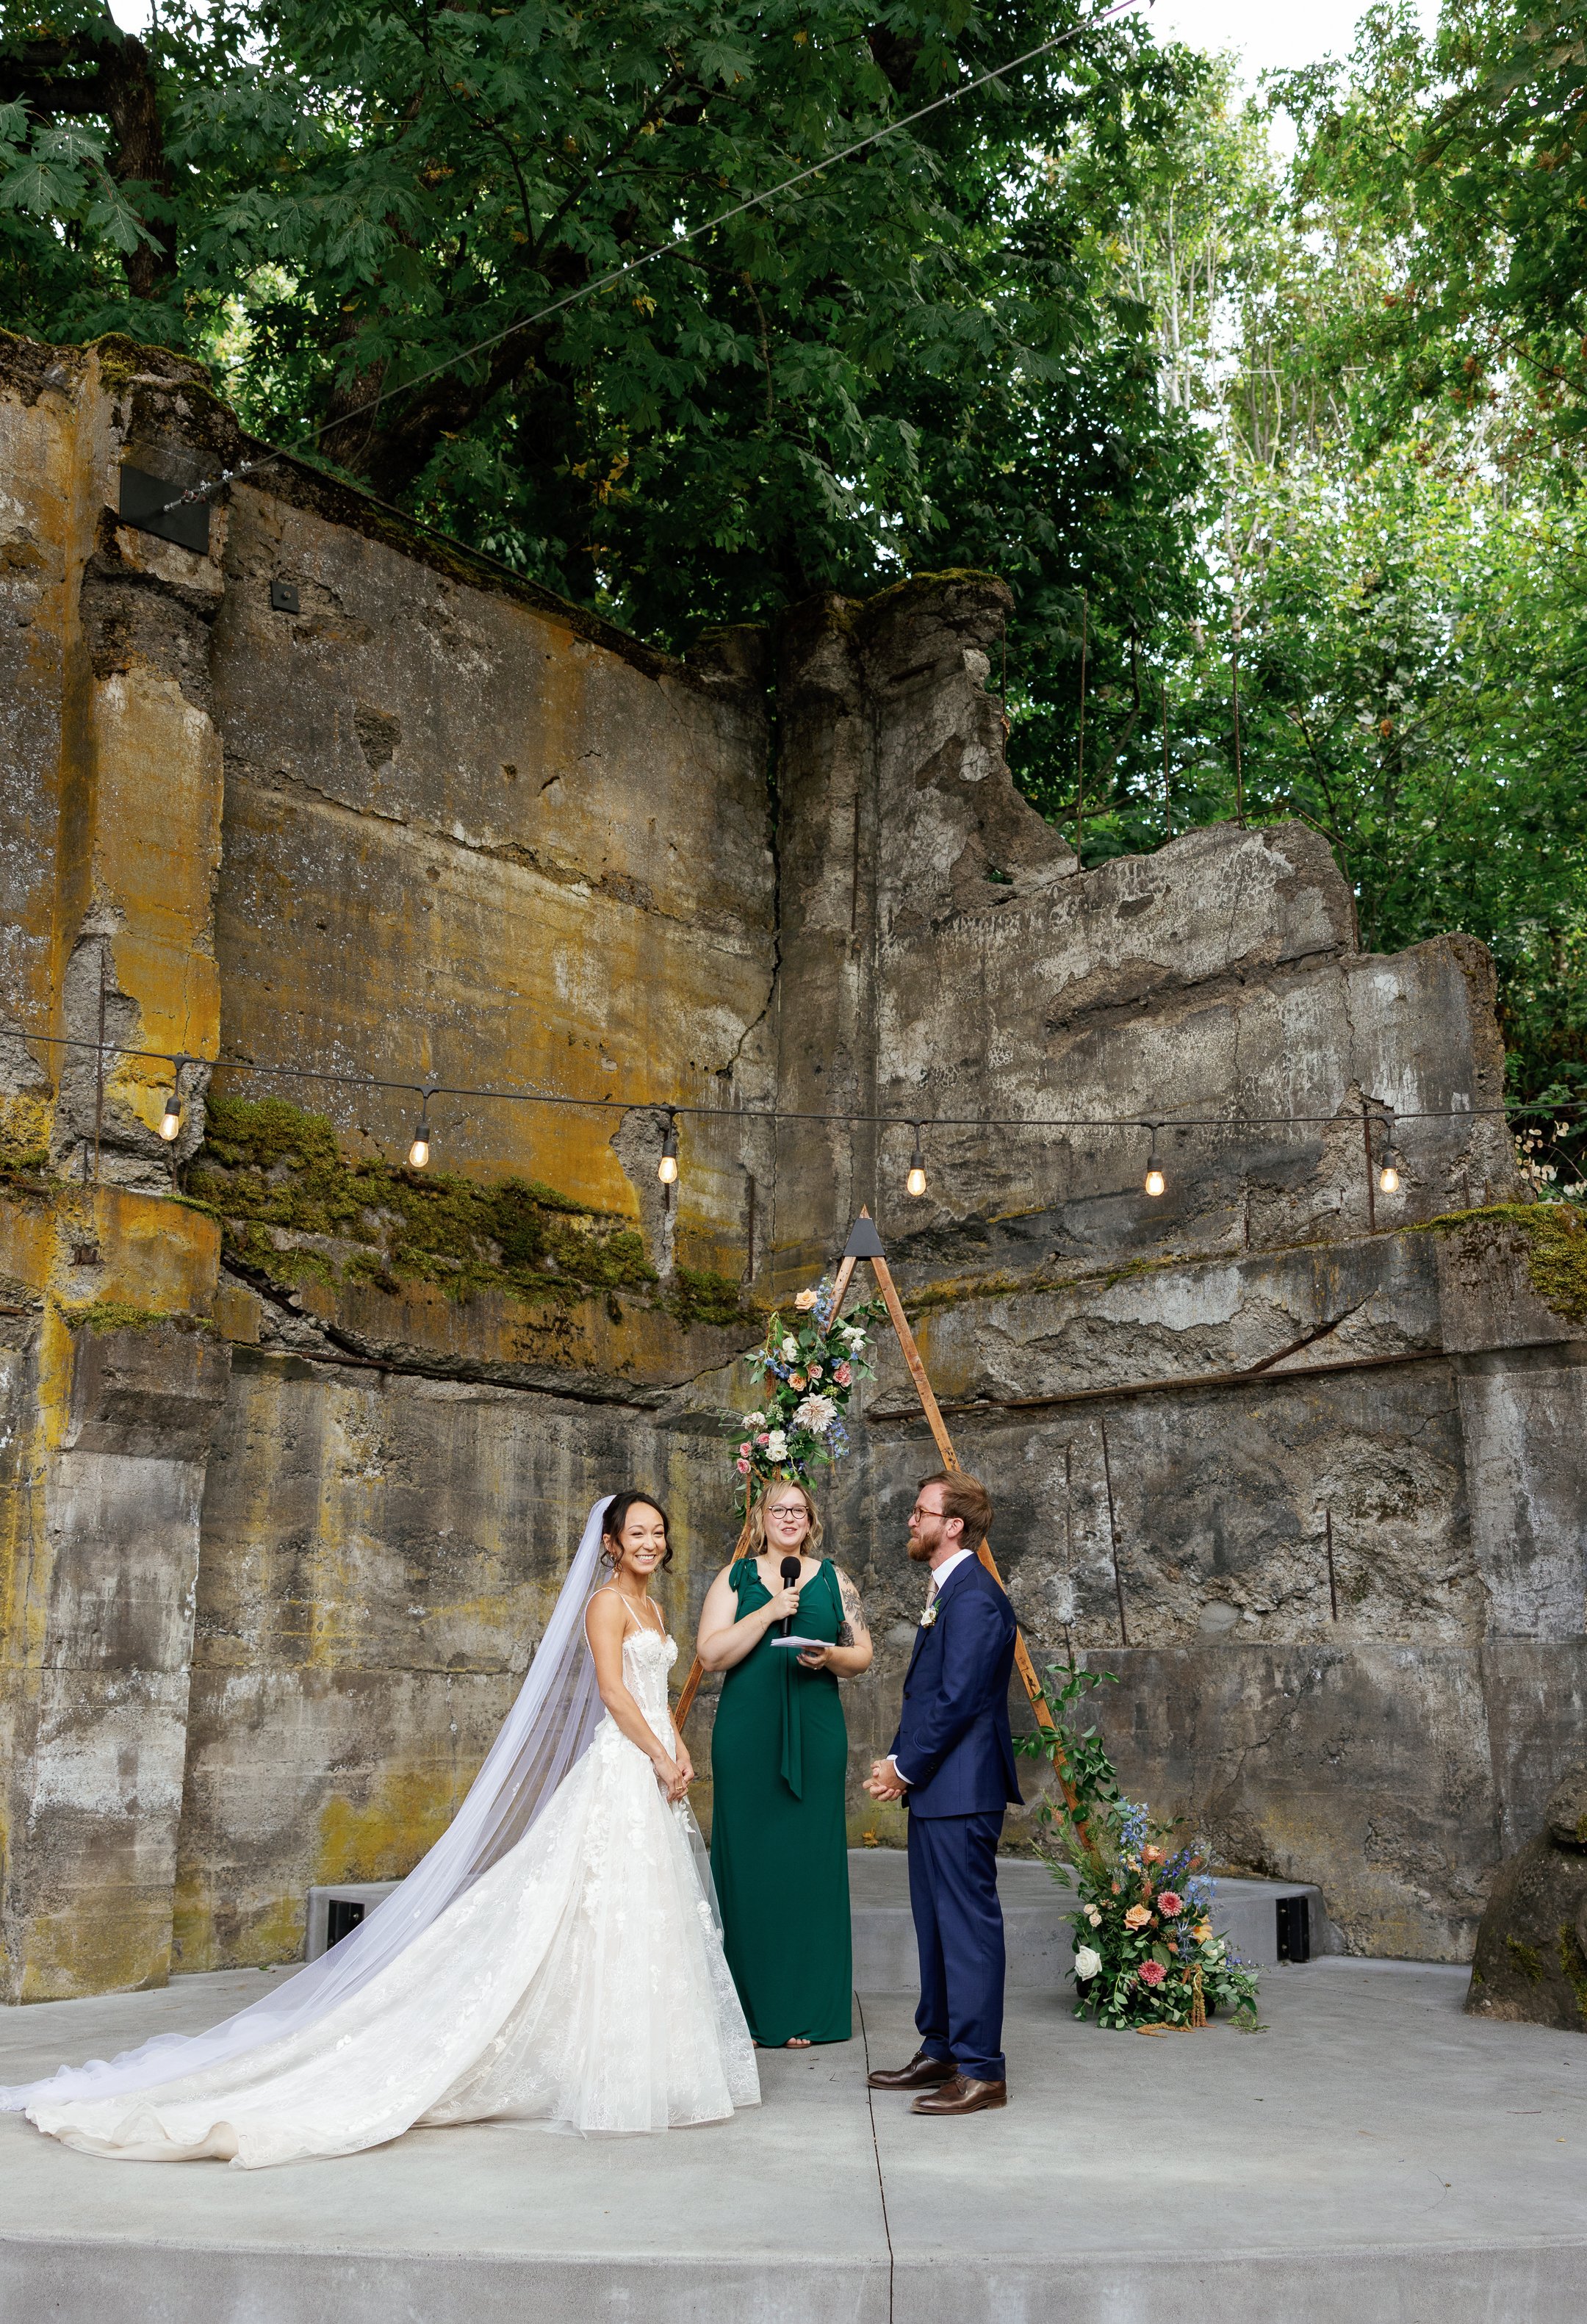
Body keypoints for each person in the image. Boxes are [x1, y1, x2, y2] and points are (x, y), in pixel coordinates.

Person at [1, 1492, 758, 2162]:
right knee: (585, 1908)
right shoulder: (605, 1605)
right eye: (638, 1531)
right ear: (611, 1543)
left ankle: (633, 2060)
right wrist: (660, 1752)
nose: (651, 1542)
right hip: (624, 1766)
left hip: (653, 1764)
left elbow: (653, 1692)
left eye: (659, 1531)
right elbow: (611, 1696)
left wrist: (677, 1748)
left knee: (638, 1918)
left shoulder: (656, 1609)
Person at [863, 1470, 1019, 2116]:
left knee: (967, 1927)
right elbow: (930, 1695)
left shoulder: (978, 1598)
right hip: (937, 1788)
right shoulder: (949, 1592)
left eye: (920, 1510)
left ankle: (982, 2068)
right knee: (935, 1926)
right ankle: (944, 2048)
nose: (911, 1520)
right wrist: (903, 1764)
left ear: (952, 1524)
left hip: (961, 1789)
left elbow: (960, 1700)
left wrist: (905, 1766)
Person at [697, 1478, 872, 2048]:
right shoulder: (736, 1577)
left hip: (817, 1730)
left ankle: (808, 2010)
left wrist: (830, 1657)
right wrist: (770, 1611)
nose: (790, 1517)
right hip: (748, 1733)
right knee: (749, 1865)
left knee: (810, 1867)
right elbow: (710, 1652)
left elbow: (863, 1654)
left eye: (799, 1509)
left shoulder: (835, 1578)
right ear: (761, 1516)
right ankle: (750, 2008)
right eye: (780, 1508)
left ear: (811, 1518)